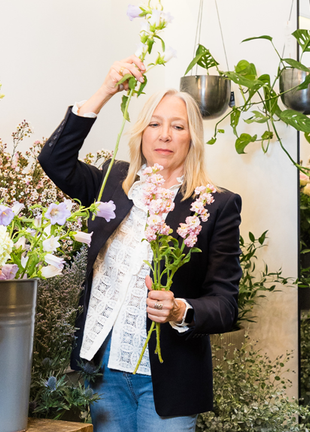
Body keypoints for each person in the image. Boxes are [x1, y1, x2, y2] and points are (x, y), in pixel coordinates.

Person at [38, 55, 242, 432]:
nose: (165, 135)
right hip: (104, 369)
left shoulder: (215, 204)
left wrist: (183, 310)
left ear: (192, 138)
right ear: (142, 134)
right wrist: (106, 90)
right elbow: (55, 159)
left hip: (169, 379)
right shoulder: (113, 182)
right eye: (155, 124)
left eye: (177, 126)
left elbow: (227, 303)